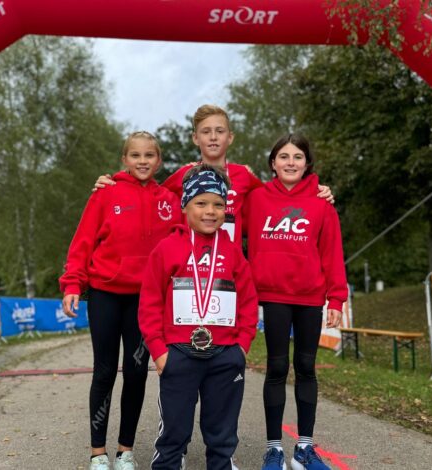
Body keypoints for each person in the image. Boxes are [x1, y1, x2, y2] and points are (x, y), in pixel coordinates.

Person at [59, 131, 182, 470]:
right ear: (124, 160)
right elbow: (82, 243)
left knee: (138, 371)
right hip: (105, 295)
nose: (143, 161)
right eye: (135, 155)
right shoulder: (105, 194)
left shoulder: (169, 199)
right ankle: (98, 452)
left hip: (145, 300)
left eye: (149, 155)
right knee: (104, 371)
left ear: (158, 160)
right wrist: (72, 284)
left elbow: (186, 239)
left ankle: (125, 450)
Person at [138, 164, 259, 469]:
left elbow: (247, 300)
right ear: (185, 206)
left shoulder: (233, 252)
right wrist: (159, 351)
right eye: (201, 203)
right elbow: (150, 301)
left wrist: (241, 346)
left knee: (222, 432)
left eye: (218, 204)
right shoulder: (167, 249)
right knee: (175, 431)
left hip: (225, 355)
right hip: (178, 353)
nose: (210, 211)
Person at [243, 134, 347, 470]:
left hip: (309, 298)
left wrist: (337, 298)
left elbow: (332, 254)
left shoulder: (321, 204)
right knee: (276, 368)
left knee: (306, 368)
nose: (290, 162)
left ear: (307, 163)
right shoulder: (256, 199)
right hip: (273, 297)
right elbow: (216, 211)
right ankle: (274, 449)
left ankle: (303, 449)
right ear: (273, 163)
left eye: (297, 157)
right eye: (283, 156)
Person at [94, 105, 334, 244]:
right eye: (206, 132)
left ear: (230, 137)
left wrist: (314, 191)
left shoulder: (243, 175)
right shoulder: (184, 174)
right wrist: (118, 181)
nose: (213, 137)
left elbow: (277, 200)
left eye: (219, 131)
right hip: (189, 264)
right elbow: (149, 193)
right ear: (195, 138)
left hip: (229, 265)